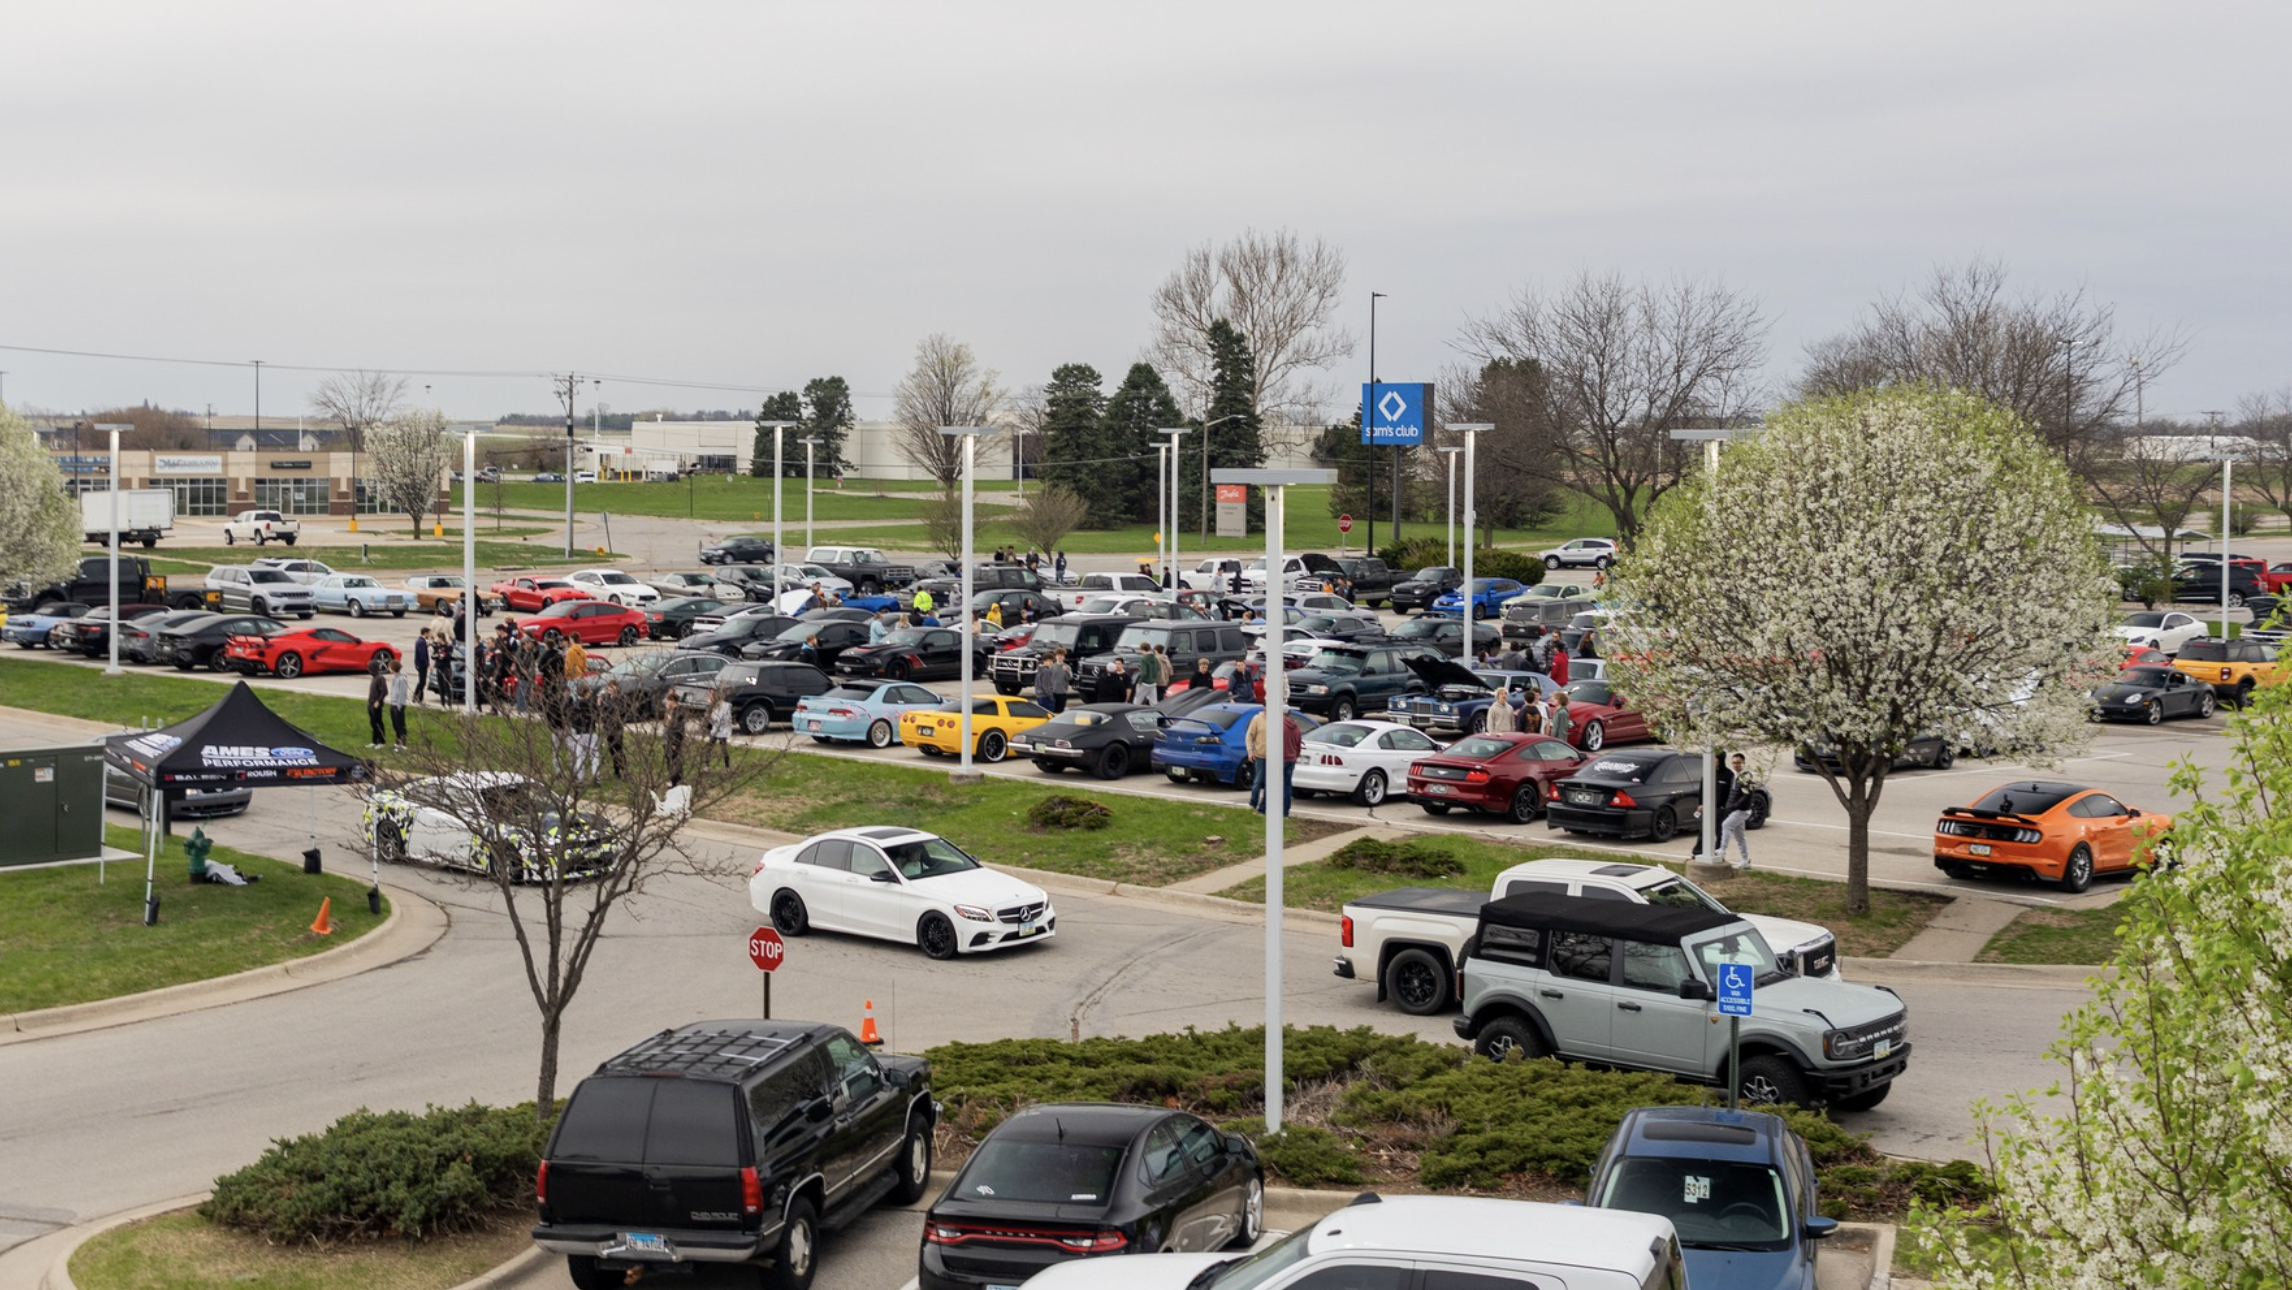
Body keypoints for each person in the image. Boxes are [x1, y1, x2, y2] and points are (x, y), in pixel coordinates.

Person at [1719, 753, 1757, 870]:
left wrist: (1734, 806)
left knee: (1726, 825)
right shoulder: (1735, 776)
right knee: (1740, 837)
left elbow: (1747, 796)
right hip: (1735, 810)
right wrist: (1728, 806)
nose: (1736, 765)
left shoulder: (1746, 776)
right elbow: (1732, 793)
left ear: (1743, 763)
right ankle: (1745, 860)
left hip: (1742, 810)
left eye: (1738, 762)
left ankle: (1722, 850)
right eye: (1734, 762)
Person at [600, 678, 628, 778]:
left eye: (612, 687)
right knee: (611, 749)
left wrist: (615, 699)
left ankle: (624, 769)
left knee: (618, 749)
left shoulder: (620, 697)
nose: (609, 689)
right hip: (608, 727)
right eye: (608, 687)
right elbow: (603, 711)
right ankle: (616, 770)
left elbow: (623, 710)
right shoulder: (605, 697)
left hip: (617, 727)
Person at [1245, 708, 1270, 812]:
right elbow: (1249, 736)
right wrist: (1250, 751)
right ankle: (1253, 803)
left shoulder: (1277, 719)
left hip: (1273, 757)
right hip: (1260, 755)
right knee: (1258, 781)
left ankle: (1264, 806)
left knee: (1269, 783)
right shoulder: (1257, 719)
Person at [661, 691, 689, 785]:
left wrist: (675, 742)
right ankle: (673, 778)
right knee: (669, 760)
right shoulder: (670, 712)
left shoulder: (678, 712)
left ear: (672, 701)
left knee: (674, 760)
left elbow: (677, 728)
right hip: (667, 739)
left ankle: (675, 780)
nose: (666, 703)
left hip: (673, 740)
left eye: (668, 700)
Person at [1034, 648, 1071, 715]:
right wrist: (1050, 693)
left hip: (1062, 692)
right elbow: (1046, 681)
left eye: (1062, 655)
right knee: (1052, 713)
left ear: (1064, 657)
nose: (1060, 657)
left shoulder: (1067, 667)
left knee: (1060, 712)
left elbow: (1070, 678)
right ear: (1056, 657)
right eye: (1058, 655)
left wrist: (1067, 671)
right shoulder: (1051, 667)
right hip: (1053, 693)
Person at [705, 686, 734, 767]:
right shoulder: (713, 705)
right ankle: (707, 766)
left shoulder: (723, 706)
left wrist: (710, 716)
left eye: (711, 694)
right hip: (715, 729)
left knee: (723, 749)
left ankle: (727, 767)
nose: (709, 696)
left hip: (722, 730)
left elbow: (718, 718)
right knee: (709, 748)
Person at [385, 656, 410, 750]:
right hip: (393, 703)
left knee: (400, 724)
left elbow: (402, 693)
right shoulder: (395, 678)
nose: (389, 669)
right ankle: (397, 740)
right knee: (395, 723)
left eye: (390, 667)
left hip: (399, 705)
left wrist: (399, 705)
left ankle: (403, 743)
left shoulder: (401, 679)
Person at [365, 657, 389, 748]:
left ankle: (381, 741)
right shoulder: (374, 677)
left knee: (378, 722)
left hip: (376, 704)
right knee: (373, 723)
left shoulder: (380, 678)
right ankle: (374, 741)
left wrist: (378, 701)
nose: (368, 670)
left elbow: (384, 691)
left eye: (369, 668)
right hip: (370, 703)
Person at [412, 629, 432, 706]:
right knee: (422, 682)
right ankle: (418, 697)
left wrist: (427, 646)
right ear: (425, 633)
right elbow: (422, 654)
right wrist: (427, 664)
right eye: (429, 634)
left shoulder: (421, 641)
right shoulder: (421, 642)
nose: (429, 635)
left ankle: (417, 697)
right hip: (422, 665)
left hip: (420, 664)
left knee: (421, 681)